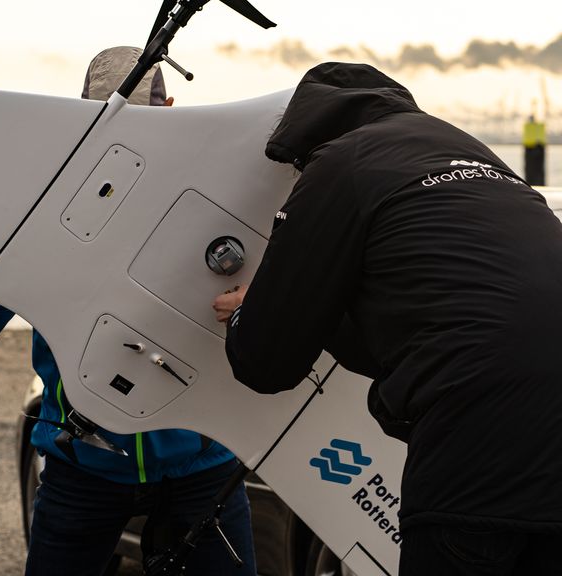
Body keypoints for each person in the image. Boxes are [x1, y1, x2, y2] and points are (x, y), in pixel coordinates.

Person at [213, 62, 562, 575]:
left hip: (474, 443)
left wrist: (253, 308)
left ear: (306, 132)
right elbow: (422, 319)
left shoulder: (338, 162)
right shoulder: (471, 151)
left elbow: (267, 362)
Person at [0, 46, 256, 576]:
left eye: (144, 120)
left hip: (204, 463)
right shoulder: (39, 212)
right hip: (84, 463)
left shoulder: (225, 197)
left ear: (172, 109)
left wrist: (262, 302)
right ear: (83, 116)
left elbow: (294, 288)